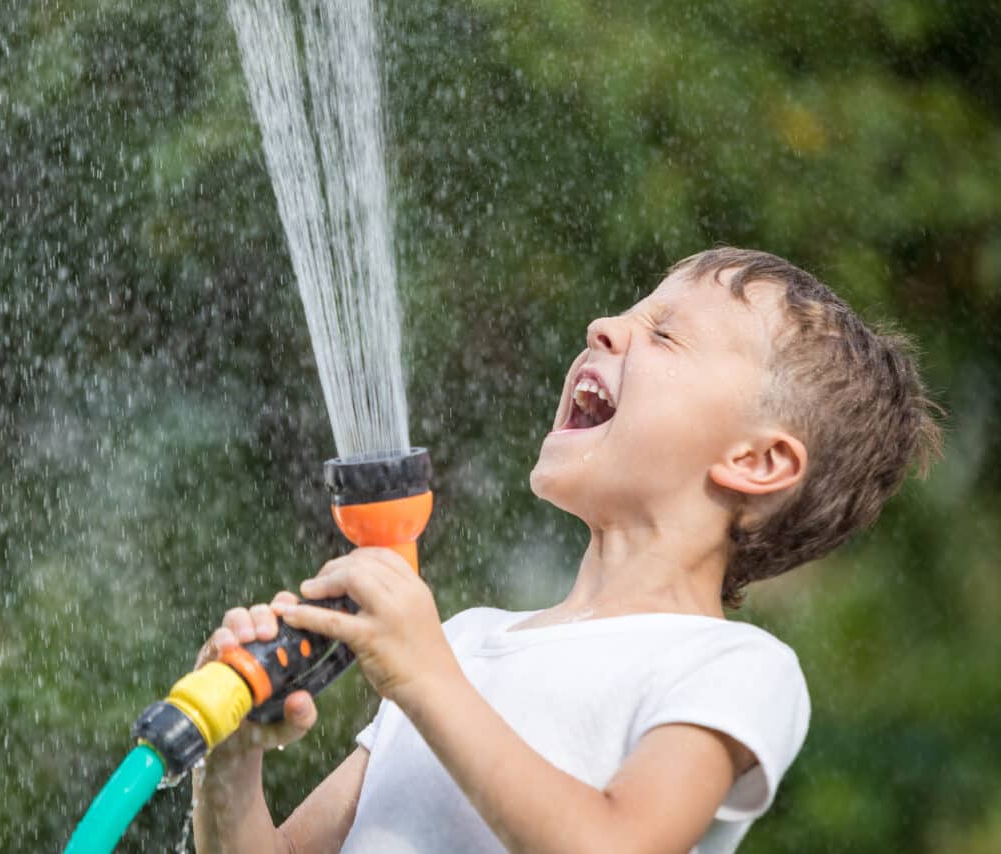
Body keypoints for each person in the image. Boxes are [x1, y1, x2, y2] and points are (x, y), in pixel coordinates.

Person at [191, 247, 942, 853]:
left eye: (667, 334)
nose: (604, 327)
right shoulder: (466, 640)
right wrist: (232, 754)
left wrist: (424, 676)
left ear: (756, 462)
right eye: (630, 313)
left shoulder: (732, 669)